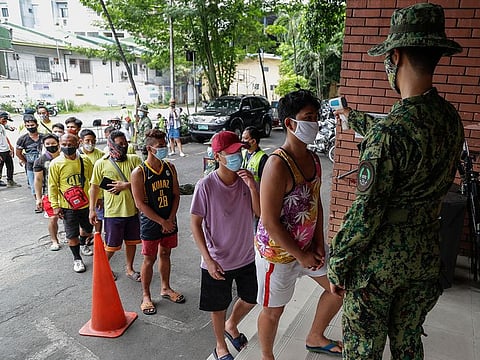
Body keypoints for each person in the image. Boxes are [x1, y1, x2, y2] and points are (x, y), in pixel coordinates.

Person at [327, 4, 465, 359]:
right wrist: (352, 117)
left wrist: (338, 263)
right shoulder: (449, 119)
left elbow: (366, 212)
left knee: (363, 350)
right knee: (407, 344)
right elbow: (406, 140)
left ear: (396, 56)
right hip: (424, 254)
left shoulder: (391, 132)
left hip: (380, 265)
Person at [255, 89, 343, 360]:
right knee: (273, 311)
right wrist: (300, 255)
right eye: (308, 117)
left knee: (338, 287)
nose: (314, 123)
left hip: (308, 248)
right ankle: (267, 356)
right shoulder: (276, 165)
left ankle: (315, 336)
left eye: (316, 117)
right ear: (290, 123)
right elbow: (269, 221)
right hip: (278, 255)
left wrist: (318, 244)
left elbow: (315, 203)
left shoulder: (314, 159)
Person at [190, 131, 260, 360]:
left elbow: (259, 214)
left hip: (246, 256)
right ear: (218, 156)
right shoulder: (206, 186)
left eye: (238, 151)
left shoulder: (245, 181)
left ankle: (232, 324)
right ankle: (220, 345)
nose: (236, 156)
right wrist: (208, 260)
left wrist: (252, 185)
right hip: (217, 260)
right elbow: (195, 224)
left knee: (251, 297)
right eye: (230, 153)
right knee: (218, 305)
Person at [131, 129, 184, 315]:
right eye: (160, 146)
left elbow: (176, 195)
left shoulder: (170, 168)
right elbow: (139, 204)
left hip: (169, 219)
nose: (164, 149)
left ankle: (165, 288)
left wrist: (169, 219)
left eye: (165, 145)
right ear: (149, 148)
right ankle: (146, 295)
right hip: (151, 223)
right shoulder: (139, 172)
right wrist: (162, 221)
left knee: (166, 254)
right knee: (149, 259)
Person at [89, 130, 142, 281]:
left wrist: (125, 185)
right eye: (120, 144)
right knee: (111, 246)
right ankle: (102, 270)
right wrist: (91, 210)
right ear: (111, 145)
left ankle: (130, 269)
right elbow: (94, 187)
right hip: (113, 213)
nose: (123, 146)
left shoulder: (134, 160)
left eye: (125, 143)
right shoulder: (101, 163)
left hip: (132, 211)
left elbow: (143, 181)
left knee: (131, 242)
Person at [48, 133, 94, 273]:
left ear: (78, 144)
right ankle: (77, 259)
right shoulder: (56, 163)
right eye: (64, 145)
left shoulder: (85, 161)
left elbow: (93, 182)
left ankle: (82, 243)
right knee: (71, 234)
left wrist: (96, 199)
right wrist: (55, 206)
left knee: (88, 229)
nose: (67, 147)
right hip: (68, 206)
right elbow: (52, 186)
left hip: (85, 204)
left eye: (70, 145)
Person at [34, 134, 61, 250]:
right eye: (48, 144)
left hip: (67, 193)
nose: (51, 146)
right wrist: (38, 198)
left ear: (58, 143)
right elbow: (38, 180)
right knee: (53, 218)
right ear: (44, 145)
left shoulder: (65, 156)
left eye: (53, 143)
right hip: (49, 194)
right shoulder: (40, 160)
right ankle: (54, 240)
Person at [79, 129, 105, 234]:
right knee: (84, 220)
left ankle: (97, 236)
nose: (91, 143)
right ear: (81, 141)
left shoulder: (101, 155)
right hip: (82, 194)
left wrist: (99, 197)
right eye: (87, 141)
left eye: (93, 141)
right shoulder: (77, 155)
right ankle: (85, 239)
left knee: (98, 216)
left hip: (98, 193)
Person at [16, 114, 44, 205]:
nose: (30, 127)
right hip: (31, 166)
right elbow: (18, 153)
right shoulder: (22, 139)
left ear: (37, 125)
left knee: (47, 184)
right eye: (28, 126)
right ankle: (38, 203)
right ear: (25, 126)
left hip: (45, 165)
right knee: (34, 185)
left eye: (32, 125)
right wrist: (25, 161)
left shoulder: (44, 137)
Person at [0, 112, 21, 187]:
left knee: (10, 166)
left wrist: (10, 146)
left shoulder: (2, 126)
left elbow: (4, 136)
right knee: (0, 167)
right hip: (1, 151)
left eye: (6, 120)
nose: (5, 122)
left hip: (6, 149)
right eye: (4, 120)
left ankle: (10, 180)